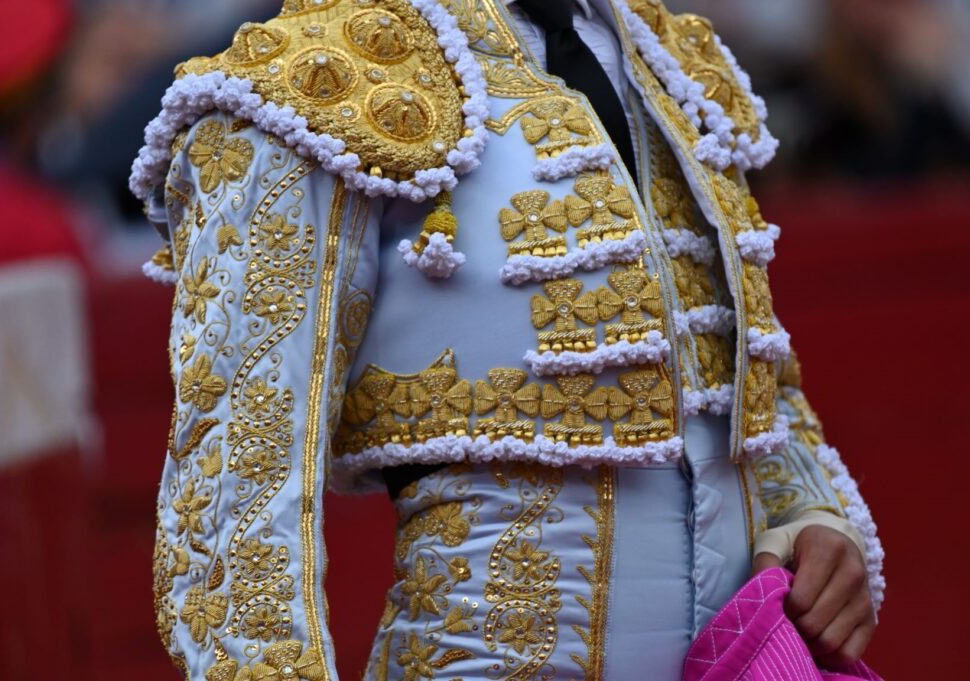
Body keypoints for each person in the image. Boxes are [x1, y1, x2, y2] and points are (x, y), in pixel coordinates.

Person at [135, 1, 885, 678]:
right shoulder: (308, 80)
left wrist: (814, 521)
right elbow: (236, 494)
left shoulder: (664, 58)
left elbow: (749, 384)